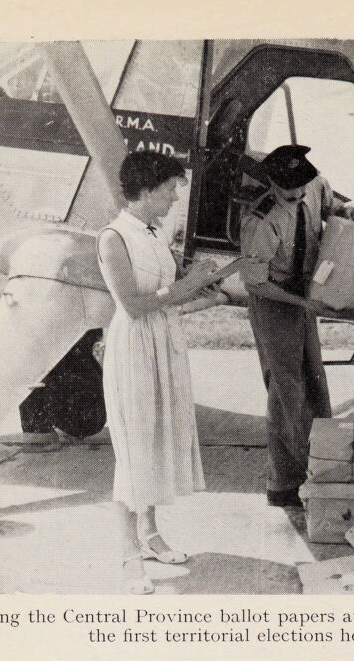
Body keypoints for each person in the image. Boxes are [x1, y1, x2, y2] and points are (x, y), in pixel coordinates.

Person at [97, 151, 220, 594]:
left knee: (158, 438)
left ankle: (149, 534)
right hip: (133, 347)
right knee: (134, 449)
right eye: (169, 190)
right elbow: (132, 305)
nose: (173, 199)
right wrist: (185, 288)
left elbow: (167, 296)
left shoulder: (155, 233)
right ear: (147, 190)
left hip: (163, 343)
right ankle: (129, 551)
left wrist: (204, 289)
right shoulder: (113, 238)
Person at [238, 144, 354, 506]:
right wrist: (300, 302)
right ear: (272, 184)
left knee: (313, 381)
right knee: (285, 391)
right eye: (286, 192)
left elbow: (333, 208)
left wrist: (348, 213)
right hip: (274, 301)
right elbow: (255, 282)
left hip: (305, 294)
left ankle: (319, 463)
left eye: (300, 188)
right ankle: (283, 484)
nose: (295, 196)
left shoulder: (314, 183)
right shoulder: (260, 220)